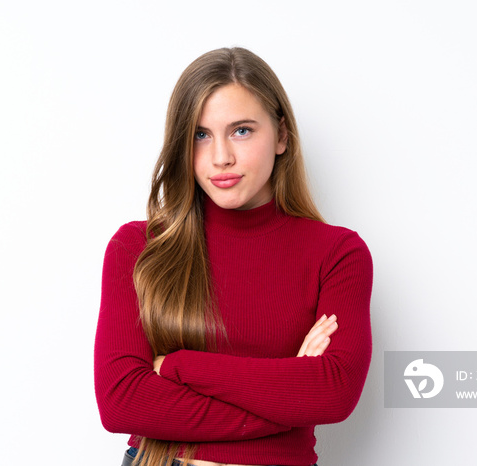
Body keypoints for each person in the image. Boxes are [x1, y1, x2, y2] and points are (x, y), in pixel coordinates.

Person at [94, 47, 373, 466]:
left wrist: (178, 367)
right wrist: (287, 397)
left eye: (241, 130)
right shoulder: (138, 248)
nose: (221, 156)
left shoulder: (337, 253)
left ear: (281, 136)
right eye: (200, 135)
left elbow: (333, 392)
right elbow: (122, 402)